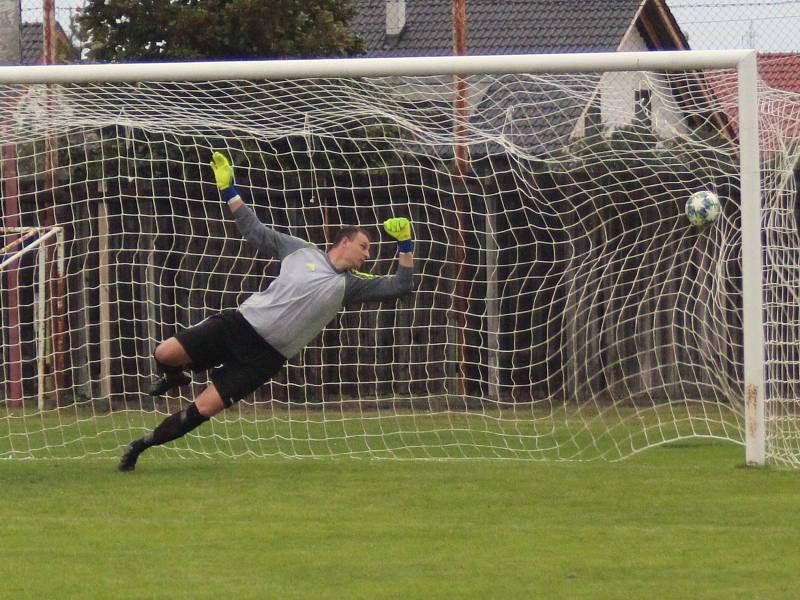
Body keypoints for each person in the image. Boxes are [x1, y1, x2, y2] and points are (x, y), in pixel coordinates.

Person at [117, 152, 415, 472]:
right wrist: (229, 189)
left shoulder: (352, 285)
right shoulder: (299, 250)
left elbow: (400, 285)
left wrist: (406, 244)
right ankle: (177, 376)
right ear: (343, 243)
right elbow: (255, 231)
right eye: (364, 246)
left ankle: (139, 447)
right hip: (239, 325)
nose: (368, 255)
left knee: (201, 409)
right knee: (164, 353)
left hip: (263, 358)